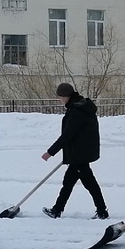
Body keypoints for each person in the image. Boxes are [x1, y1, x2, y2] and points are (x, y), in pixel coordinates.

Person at [41, 82, 108, 219]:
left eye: (60, 97)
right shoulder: (80, 106)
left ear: (66, 96)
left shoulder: (77, 110)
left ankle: (102, 211)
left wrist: (50, 152)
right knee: (69, 182)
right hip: (81, 152)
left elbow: (67, 135)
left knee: (89, 184)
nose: (59, 100)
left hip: (80, 154)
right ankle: (57, 209)